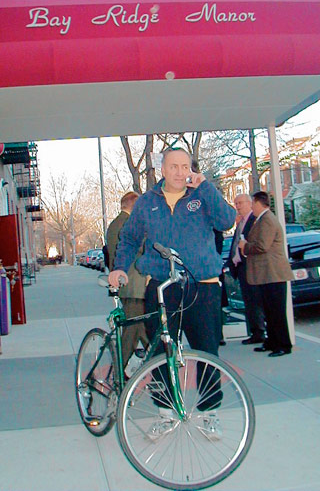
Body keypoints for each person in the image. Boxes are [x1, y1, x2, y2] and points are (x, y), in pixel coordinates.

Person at [109, 147, 236, 438]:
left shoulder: (202, 196)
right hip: (163, 288)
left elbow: (227, 220)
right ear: (162, 169)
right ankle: (165, 413)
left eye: (185, 166)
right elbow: (128, 239)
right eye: (174, 167)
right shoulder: (146, 204)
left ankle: (209, 412)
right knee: (160, 352)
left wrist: (205, 187)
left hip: (201, 287)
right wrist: (119, 268)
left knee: (207, 350)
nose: (180, 172)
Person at [238, 191, 293, 357]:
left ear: (258, 203)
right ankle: (272, 341)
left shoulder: (267, 219)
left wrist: (245, 246)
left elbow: (263, 245)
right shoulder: (260, 219)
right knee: (269, 311)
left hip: (273, 274)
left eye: (252, 203)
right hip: (266, 275)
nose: (251, 207)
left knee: (276, 311)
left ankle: (283, 345)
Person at [107, 191, 149, 369]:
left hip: (130, 284)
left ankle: (158, 361)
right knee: (132, 331)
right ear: (134, 205)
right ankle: (120, 369)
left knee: (141, 328)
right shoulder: (127, 223)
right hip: (134, 284)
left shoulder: (116, 223)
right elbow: (140, 247)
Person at [227, 194, 266, 344]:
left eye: (241, 203)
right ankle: (254, 331)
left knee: (255, 300)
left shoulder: (254, 221)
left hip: (251, 266)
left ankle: (259, 332)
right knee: (248, 301)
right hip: (241, 267)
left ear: (250, 204)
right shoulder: (241, 222)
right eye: (236, 203)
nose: (238, 206)